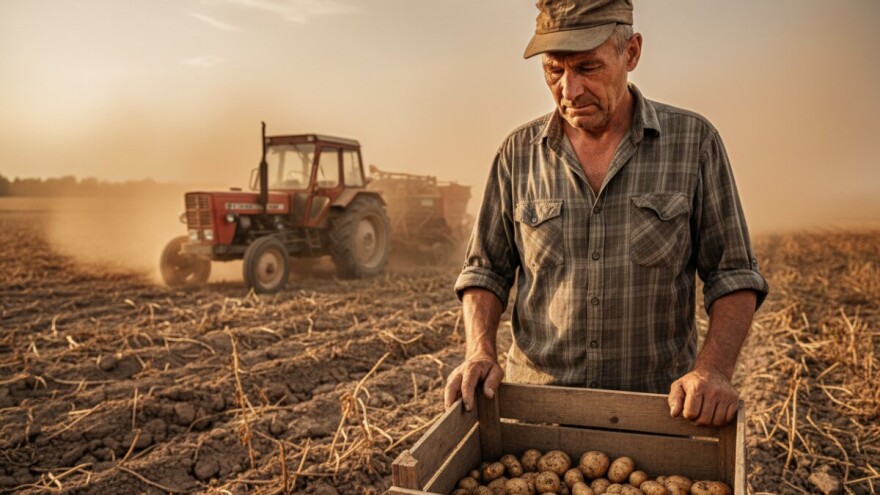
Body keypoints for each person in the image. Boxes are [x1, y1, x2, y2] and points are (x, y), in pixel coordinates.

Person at [444, 0, 769, 427]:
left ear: (631, 53)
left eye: (587, 68)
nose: (569, 90)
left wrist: (712, 369)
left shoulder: (694, 143)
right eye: (553, 71)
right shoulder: (516, 154)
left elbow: (732, 274)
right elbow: (485, 271)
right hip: (539, 412)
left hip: (659, 414)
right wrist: (479, 351)